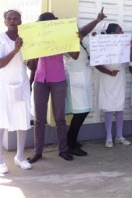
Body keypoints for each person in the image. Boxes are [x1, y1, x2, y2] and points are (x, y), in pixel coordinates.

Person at [28, 12, 79, 163]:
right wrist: (30, 82)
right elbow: (32, 65)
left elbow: (75, 56)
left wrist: (74, 39)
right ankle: (38, 152)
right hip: (40, 80)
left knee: (59, 118)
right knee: (39, 119)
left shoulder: (62, 37)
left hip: (58, 80)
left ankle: (63, 150)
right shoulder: (38, 38)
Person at [65, 8, 106, 156]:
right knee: (80, 113)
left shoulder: (82, 41)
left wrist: (95, 37)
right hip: (75, 80)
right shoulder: (68, 43)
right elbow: (74, 56)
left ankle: (71, 141)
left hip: (84, 79)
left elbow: (91, 52)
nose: (77, 31)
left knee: (83, 111)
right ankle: (70, 144)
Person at [0, 9, 32, 173]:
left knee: (22, 119)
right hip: (4, 84)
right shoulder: (1, 38)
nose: (12, 21)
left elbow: (31, 64)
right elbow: (0, 63)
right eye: (9, 18)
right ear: (5, 21)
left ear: (20, 21)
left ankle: (19, 156)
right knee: (2, 121)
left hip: (21, 83)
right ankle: (0, 161)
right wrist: (15, 50)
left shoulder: (26, 38)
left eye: (16, 18)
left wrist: (35, 52)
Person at [95, 23, 131, 148]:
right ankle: (109, 137)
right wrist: (109, 72)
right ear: (112, 33)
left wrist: (130, 47)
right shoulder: (103, 44)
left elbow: (130, 58)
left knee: (119, 106)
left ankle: (119, 136)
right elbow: (97, 64)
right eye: (119, 30)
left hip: (119, 76)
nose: (122, 32)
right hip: (107, 77)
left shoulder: (123, 44)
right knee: (109, 106)